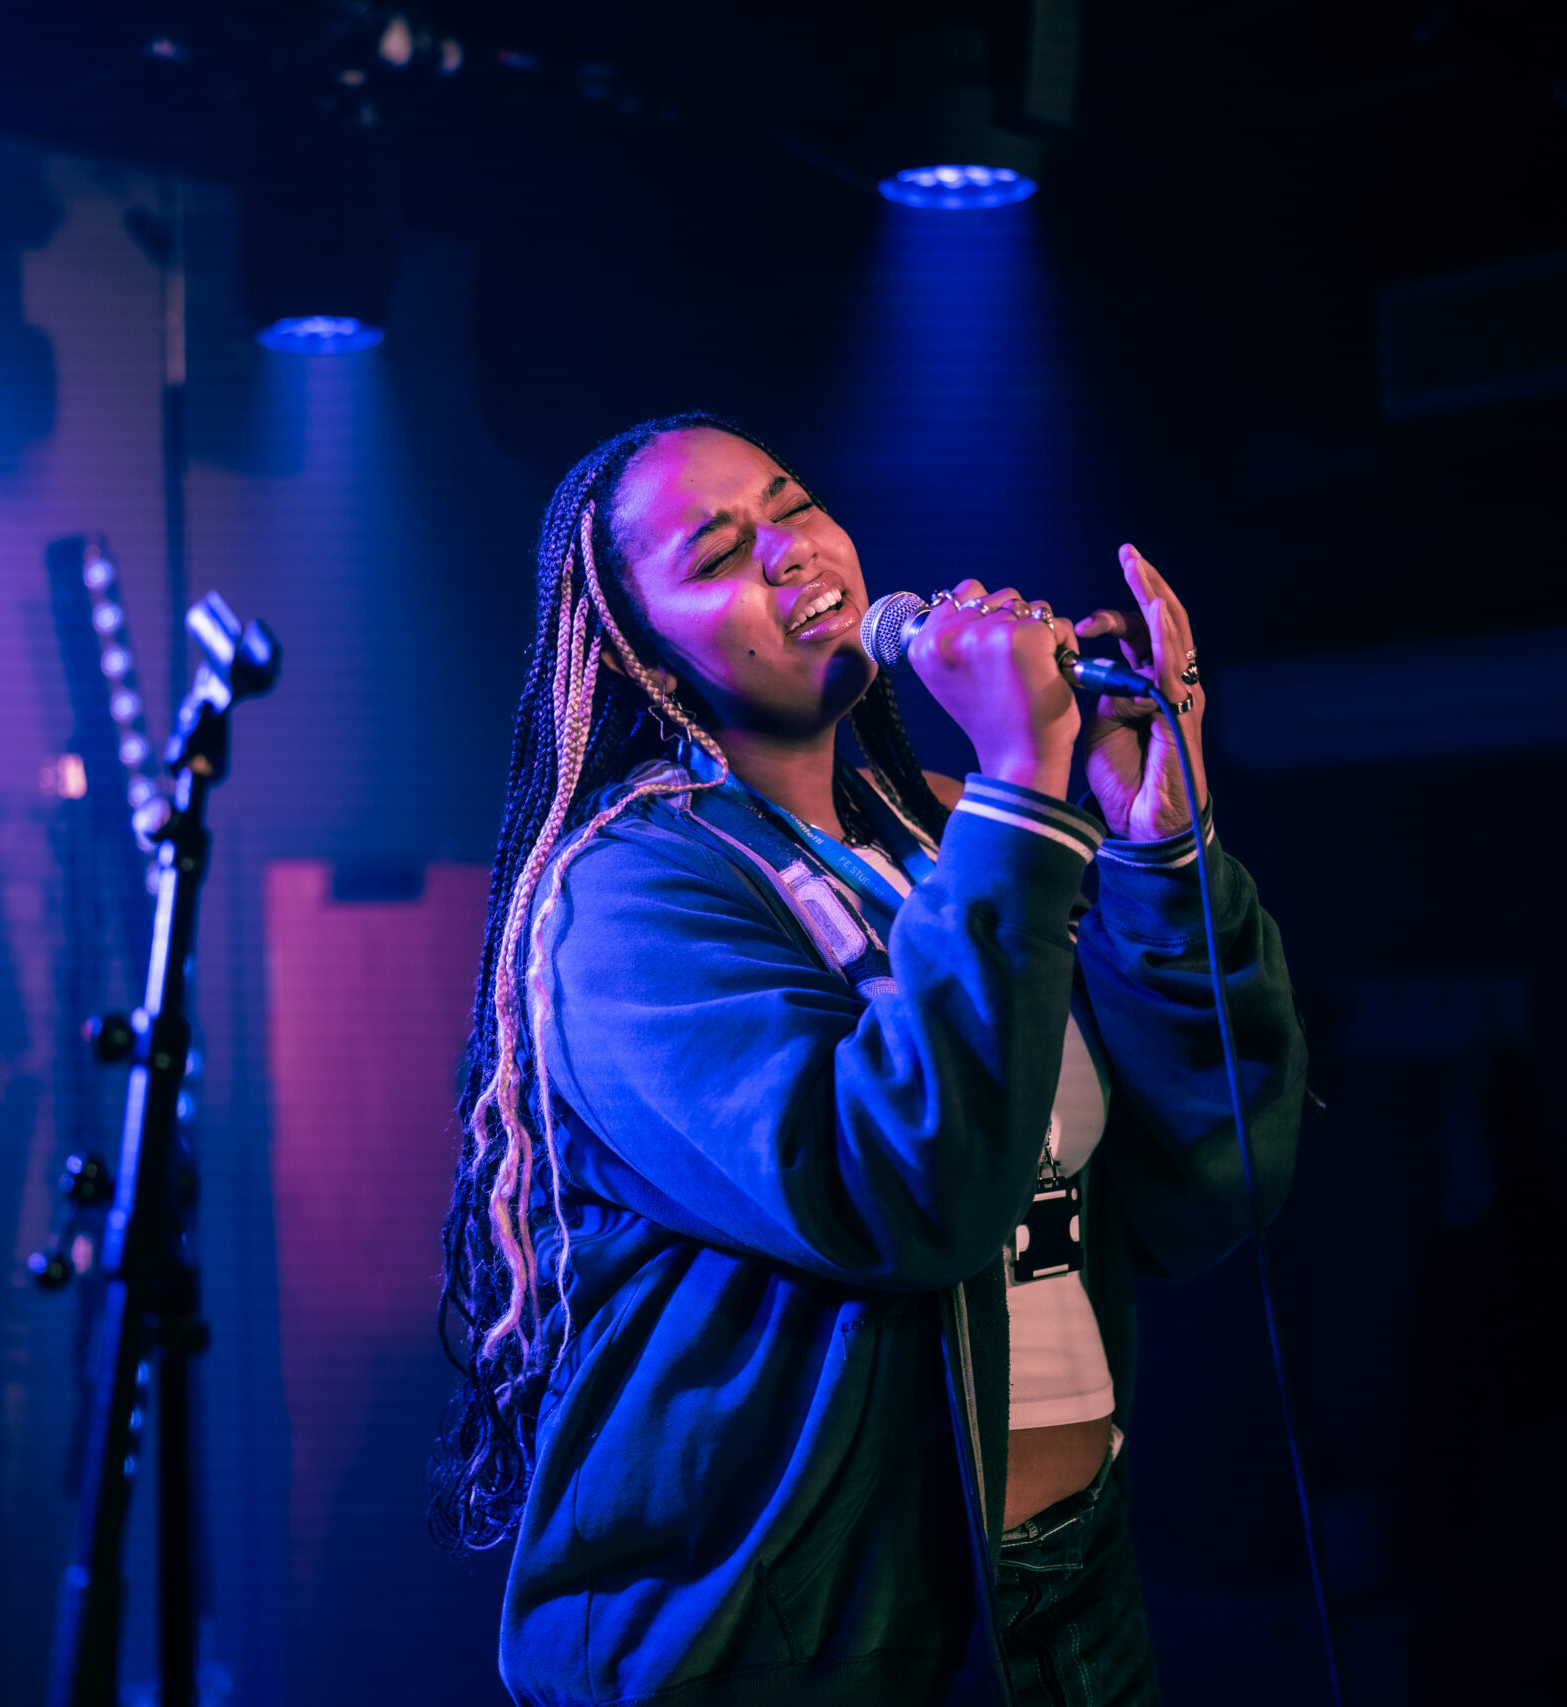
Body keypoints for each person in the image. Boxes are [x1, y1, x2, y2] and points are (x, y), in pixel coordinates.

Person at [434, 413, 1307, 1706]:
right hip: (789, 1640)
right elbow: (900, 1192)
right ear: (642, 652)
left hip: (1062, 1595)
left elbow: (1211, 1181)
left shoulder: (960, 840)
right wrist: (1022, 785)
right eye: (720, 551)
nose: (790, 554)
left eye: (793, 507)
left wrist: (1153, 846)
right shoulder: (625, 900)